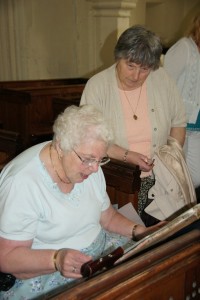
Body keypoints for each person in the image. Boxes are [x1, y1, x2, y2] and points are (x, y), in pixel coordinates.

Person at [0, 105, 162, 299]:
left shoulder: (89, 167)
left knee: (153, 273)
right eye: (88, 159)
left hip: (100, 252)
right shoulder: (23, 183)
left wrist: (139, 231)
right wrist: (56, 258)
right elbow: (7, 257)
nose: (95, 169)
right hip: (49, 271)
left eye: (100, 159)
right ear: (60, 146)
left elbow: (108, 217)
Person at [80, 25, 186, 218]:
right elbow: (90, 140)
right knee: (127, 239)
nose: (136, 76)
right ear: (118, 57)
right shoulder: (97, 86)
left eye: (144, 69)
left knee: (162, 240)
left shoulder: (162, 79)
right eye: (130, 65)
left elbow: (178, 122)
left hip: (160, 181)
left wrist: (170, 159)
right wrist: (127, 156)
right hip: (115, 180)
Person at [164, 14, 200, 192]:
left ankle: (186, 212)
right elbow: (165, 82)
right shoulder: (184, 47)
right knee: (185, 178)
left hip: (197, 128)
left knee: (194, 178)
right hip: (181, 124)